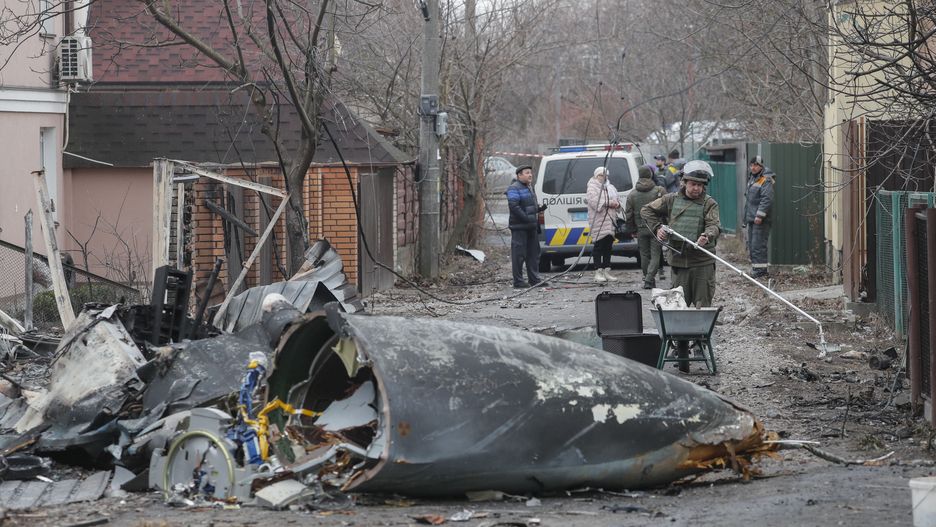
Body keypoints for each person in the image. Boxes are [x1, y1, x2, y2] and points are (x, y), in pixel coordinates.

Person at [641, 160, 721, 307]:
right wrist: (658, 228)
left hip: (702, 263)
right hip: (679, 262)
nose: (696, 188)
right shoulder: (670, 200)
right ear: (684, 182)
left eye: (700, 185)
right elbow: (646, 210)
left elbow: (714, 225)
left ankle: (701, 330)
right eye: (693, 184)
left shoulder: (709, 203)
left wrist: (707, 236)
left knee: (702, 306)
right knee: (678, 304)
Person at [506, 165, 547, 288]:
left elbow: (529, 207)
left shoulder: (529, 187)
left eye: (531, 173)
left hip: (531, 227)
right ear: (519, 175)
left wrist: (538, 209)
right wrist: (526, 218)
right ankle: (518, 281)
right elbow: (514, 206)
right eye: (527, 173)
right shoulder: (513, 188)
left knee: (533, 254)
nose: (530, 175)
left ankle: (534, 279)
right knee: (519, 255)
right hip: (520, 228)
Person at [625, 166, 666, 289]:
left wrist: (632, 229)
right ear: (650, 175)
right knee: (655, 254)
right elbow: (667, 209)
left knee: (644, 255)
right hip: (657, 228)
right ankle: (649, 279)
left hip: (641, 228)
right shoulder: (659, 191)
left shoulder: (632, 194)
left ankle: (648, 279)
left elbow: (629, 214)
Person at [586, 166, 621, 283]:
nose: (603, 177)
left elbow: (617, 199)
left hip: (610, 221)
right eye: (601, 175)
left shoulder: (610, 187)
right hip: (599, 221)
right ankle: (598, 271)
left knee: (608, 247)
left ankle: (607, 270)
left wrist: (617, 204)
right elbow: (595, 202)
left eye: (605, 175)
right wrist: (610, 203)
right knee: (598, 247)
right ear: (596, 176)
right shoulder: (592, 187)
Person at [744, 155, 775, 279]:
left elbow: (766, 199)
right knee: (752, 245)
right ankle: (756, 269)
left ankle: (761, 271)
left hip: (760, 220)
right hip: (752, 218)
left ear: (761, 166)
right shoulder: (753, 178)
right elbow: (749, 201)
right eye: (751, 165)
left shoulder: (765, 180)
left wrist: (759, 215)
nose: (753, 167)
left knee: (758, 245)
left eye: (755, 165)